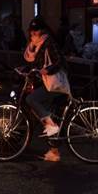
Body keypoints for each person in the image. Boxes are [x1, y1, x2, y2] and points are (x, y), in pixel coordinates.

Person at [23, 17, 71, 162]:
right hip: (46, 83)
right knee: (46, 116)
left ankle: (52, 126)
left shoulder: (48, 42)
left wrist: (48, 70)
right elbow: (31, 60)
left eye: (35, 31)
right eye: (31, 32)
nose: (33, 34)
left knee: (31, 99)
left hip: (54, 84)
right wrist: (31, 47)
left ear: (42, 31)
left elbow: (59, 61)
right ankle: (54, 152)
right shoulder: (37, 45)